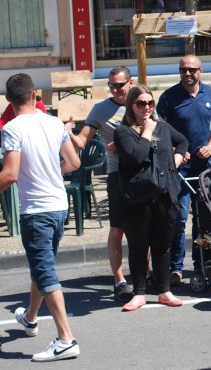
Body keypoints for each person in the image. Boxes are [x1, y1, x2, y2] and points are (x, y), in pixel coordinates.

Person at [0, 73, 81, 361]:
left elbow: (9, 174)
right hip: (59, 206)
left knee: (45, 272)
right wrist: (48, 171)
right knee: (41, 265)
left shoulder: (11, 128)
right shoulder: (54, 122)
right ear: (34, 94)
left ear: (9, 100)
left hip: (36, 210)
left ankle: (66, 339)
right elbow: (73, 162)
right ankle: (31, 318)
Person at [115, 85, 188, 311]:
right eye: (141, 103)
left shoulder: (163, 127)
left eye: (150, 103)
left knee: (162, 244)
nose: (146, 108)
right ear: (131, 106)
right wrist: (146, 132)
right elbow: (136, 157)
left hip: (165, 195)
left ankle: (164, 290)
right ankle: (139, 293)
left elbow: (183, 141)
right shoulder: (123, 132)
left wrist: (175, 161)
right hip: (138, 197)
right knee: (139, 245)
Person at [65, 66, 134, 302]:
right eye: (112, 85)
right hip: (118, 174)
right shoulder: (101, 109)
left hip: (143, 174)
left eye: (120, 85)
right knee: (118, 229)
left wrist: (125, 141)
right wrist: (68, 133)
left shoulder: (144, 103)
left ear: (130, 83)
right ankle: (119, 281)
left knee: (142, 230)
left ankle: (143, 277)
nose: (115, 90)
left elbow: (157, 134)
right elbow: (82, 141)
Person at [157, 55, 211, 286]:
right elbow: (160, 131)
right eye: (183, 70)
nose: (187, 74)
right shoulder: (169, 97)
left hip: (203, 168)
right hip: (180, 169)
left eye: (191, 70)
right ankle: (176, 268)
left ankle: (201, 263)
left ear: (200, 71)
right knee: (179, 218)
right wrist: (175, 149)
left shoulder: (209, 93)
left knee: (204, 219)